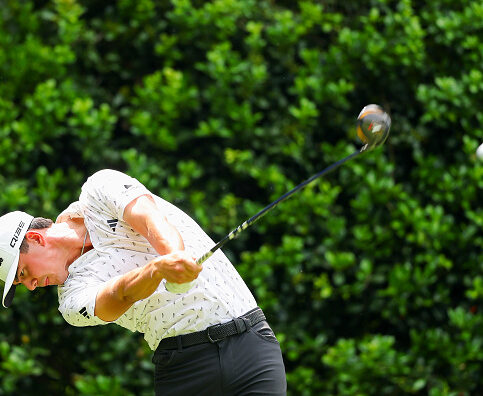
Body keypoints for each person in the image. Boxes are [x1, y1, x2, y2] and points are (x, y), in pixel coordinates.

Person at [0, 169, 286, 395]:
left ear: (36, 239)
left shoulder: (99, 190)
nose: (32, 286)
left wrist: (174, 256)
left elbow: (151, 220)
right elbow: (119, 296)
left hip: (251, 342)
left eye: (23, 274)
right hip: (185, 370)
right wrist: (157, 271)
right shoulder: (71, 300)